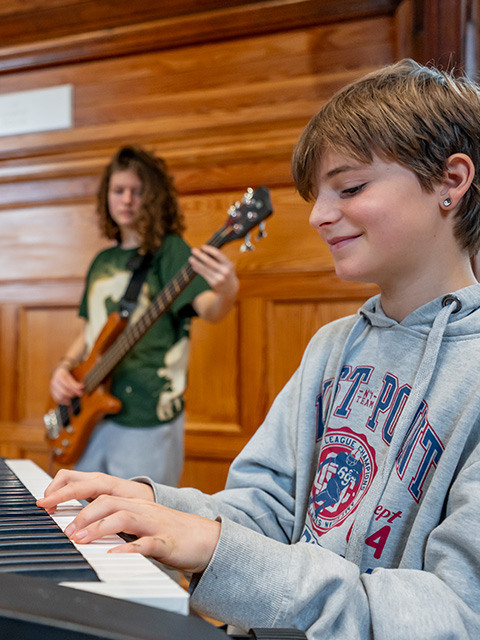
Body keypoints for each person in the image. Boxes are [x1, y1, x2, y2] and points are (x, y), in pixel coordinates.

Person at [37, 59, 480, 639]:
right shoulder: (331, 348)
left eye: (349, 188)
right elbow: (264, 511)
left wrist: (215, 547)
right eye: (317, 195)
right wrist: (152, 503)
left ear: (451, 180)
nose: (319, 216)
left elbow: (455, 614)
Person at [49, 145, 239, 484]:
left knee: (136, 524)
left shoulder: (171, 251)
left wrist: (227, 291)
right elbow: (89, 333)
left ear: (153, 198)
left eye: (137, 192)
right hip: (90, 412)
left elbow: (209, 310)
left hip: (148, 414)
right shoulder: (101, 262)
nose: (126, 200)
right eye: (118, 190)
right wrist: (63, 368)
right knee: (79, 519)